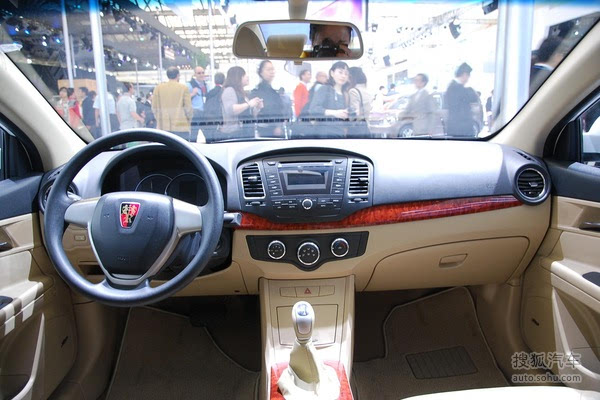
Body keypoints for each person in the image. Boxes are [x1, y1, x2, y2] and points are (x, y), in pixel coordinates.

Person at [308, 61, 350, 138]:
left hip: (340, 134)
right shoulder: (324, 89)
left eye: (346, 73)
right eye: (340, 72)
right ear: (332, 73)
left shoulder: (346, 94)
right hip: (324, 134)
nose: (343, 76)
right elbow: (313, 109)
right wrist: (335, 113)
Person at [152, 66, 194, 141]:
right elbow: (188, 109)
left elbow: (154, 108)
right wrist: (188, 121)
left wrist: (159, 119)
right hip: (181, 126)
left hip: (163, 127)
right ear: (178, 75)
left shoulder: (158, 88)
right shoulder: (183, 88)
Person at [220, 66, 262, 140]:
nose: (247, 77)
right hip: (233, 133)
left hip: (246, 132)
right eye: (244, 75)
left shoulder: (242, 93)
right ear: (238, 77)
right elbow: (231, 110)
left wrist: (257, 108)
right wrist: (249, 104)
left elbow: (249, 114)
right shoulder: (229, 90)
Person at [250, 60, 285, 137]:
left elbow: (280, 111)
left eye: (273, 69)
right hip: (264, 131)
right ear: (261, 73)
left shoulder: (274, 92)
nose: (272, 72)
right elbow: (252, 113)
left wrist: (278, 126)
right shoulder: (256, 92)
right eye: (268, 69)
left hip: (276, 130)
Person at [444, 62, 478, 137]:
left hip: (456, 127)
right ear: (464, 75)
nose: (468, 79)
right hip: (461, 128)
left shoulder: (452, 86)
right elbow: (473, 98)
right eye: (468, 76)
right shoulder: (457, 88)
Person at [347, 67, 372, 137]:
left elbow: (354, 114)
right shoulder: (367, 91)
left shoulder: (353, 91)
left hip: (356, 130)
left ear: (352, 77)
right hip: (366, 127)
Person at [202, 72, 225, 142]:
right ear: (224, 80)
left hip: (209, 118)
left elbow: (206, 105)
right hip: (219, 119)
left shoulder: (210, 93)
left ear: (215, 81)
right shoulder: (224, 92)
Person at [188, 66, 208, 132]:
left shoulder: (207, 85)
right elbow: (183, 99)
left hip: (205, 113)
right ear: (195, 74)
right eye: (199, 73)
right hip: (195, 113)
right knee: (193, 134)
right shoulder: (189, 85)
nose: (201, 75)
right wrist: (192, 94)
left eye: (203, 73)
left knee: (208, 134)